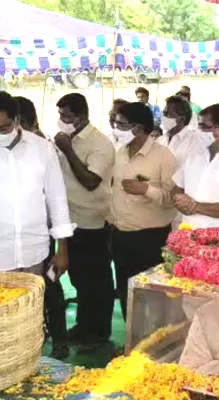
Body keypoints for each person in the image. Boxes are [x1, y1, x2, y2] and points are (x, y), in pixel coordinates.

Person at [9, 93, 73, 359]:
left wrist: (62, 248)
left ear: (18, 120)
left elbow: (57, 199)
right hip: (4, 249)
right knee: (10, 309)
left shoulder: (41, 148)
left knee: (48, 289)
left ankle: (57, 339)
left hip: (40, 243)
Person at [55, 93, 116, 350]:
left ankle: (98, 333)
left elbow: (91, 182)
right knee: (79, 278)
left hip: (93, 222)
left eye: (66, 116)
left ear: (81, 116)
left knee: (96, 281)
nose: (62, 121)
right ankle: (84, 325)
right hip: (70, 220)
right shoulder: (67, 139)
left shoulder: (99, 144)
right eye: (60, 116)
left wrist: (68, 150)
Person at [108, 102, 177, 320]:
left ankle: (155, 345)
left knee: (154, 295)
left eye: (120, 124)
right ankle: (132, 344)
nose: (115, 128)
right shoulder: (119, 153)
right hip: (120, 236)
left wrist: (146, 190)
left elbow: (174, 199)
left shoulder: (163, 157)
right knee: (126, 293)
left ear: (137, 128)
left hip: (150, 239)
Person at [157, 95, 205, 167]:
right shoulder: (160, 140)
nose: (164, 117)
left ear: (181, 118)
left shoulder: (195, 142)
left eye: (168, 114)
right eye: (163, 113)